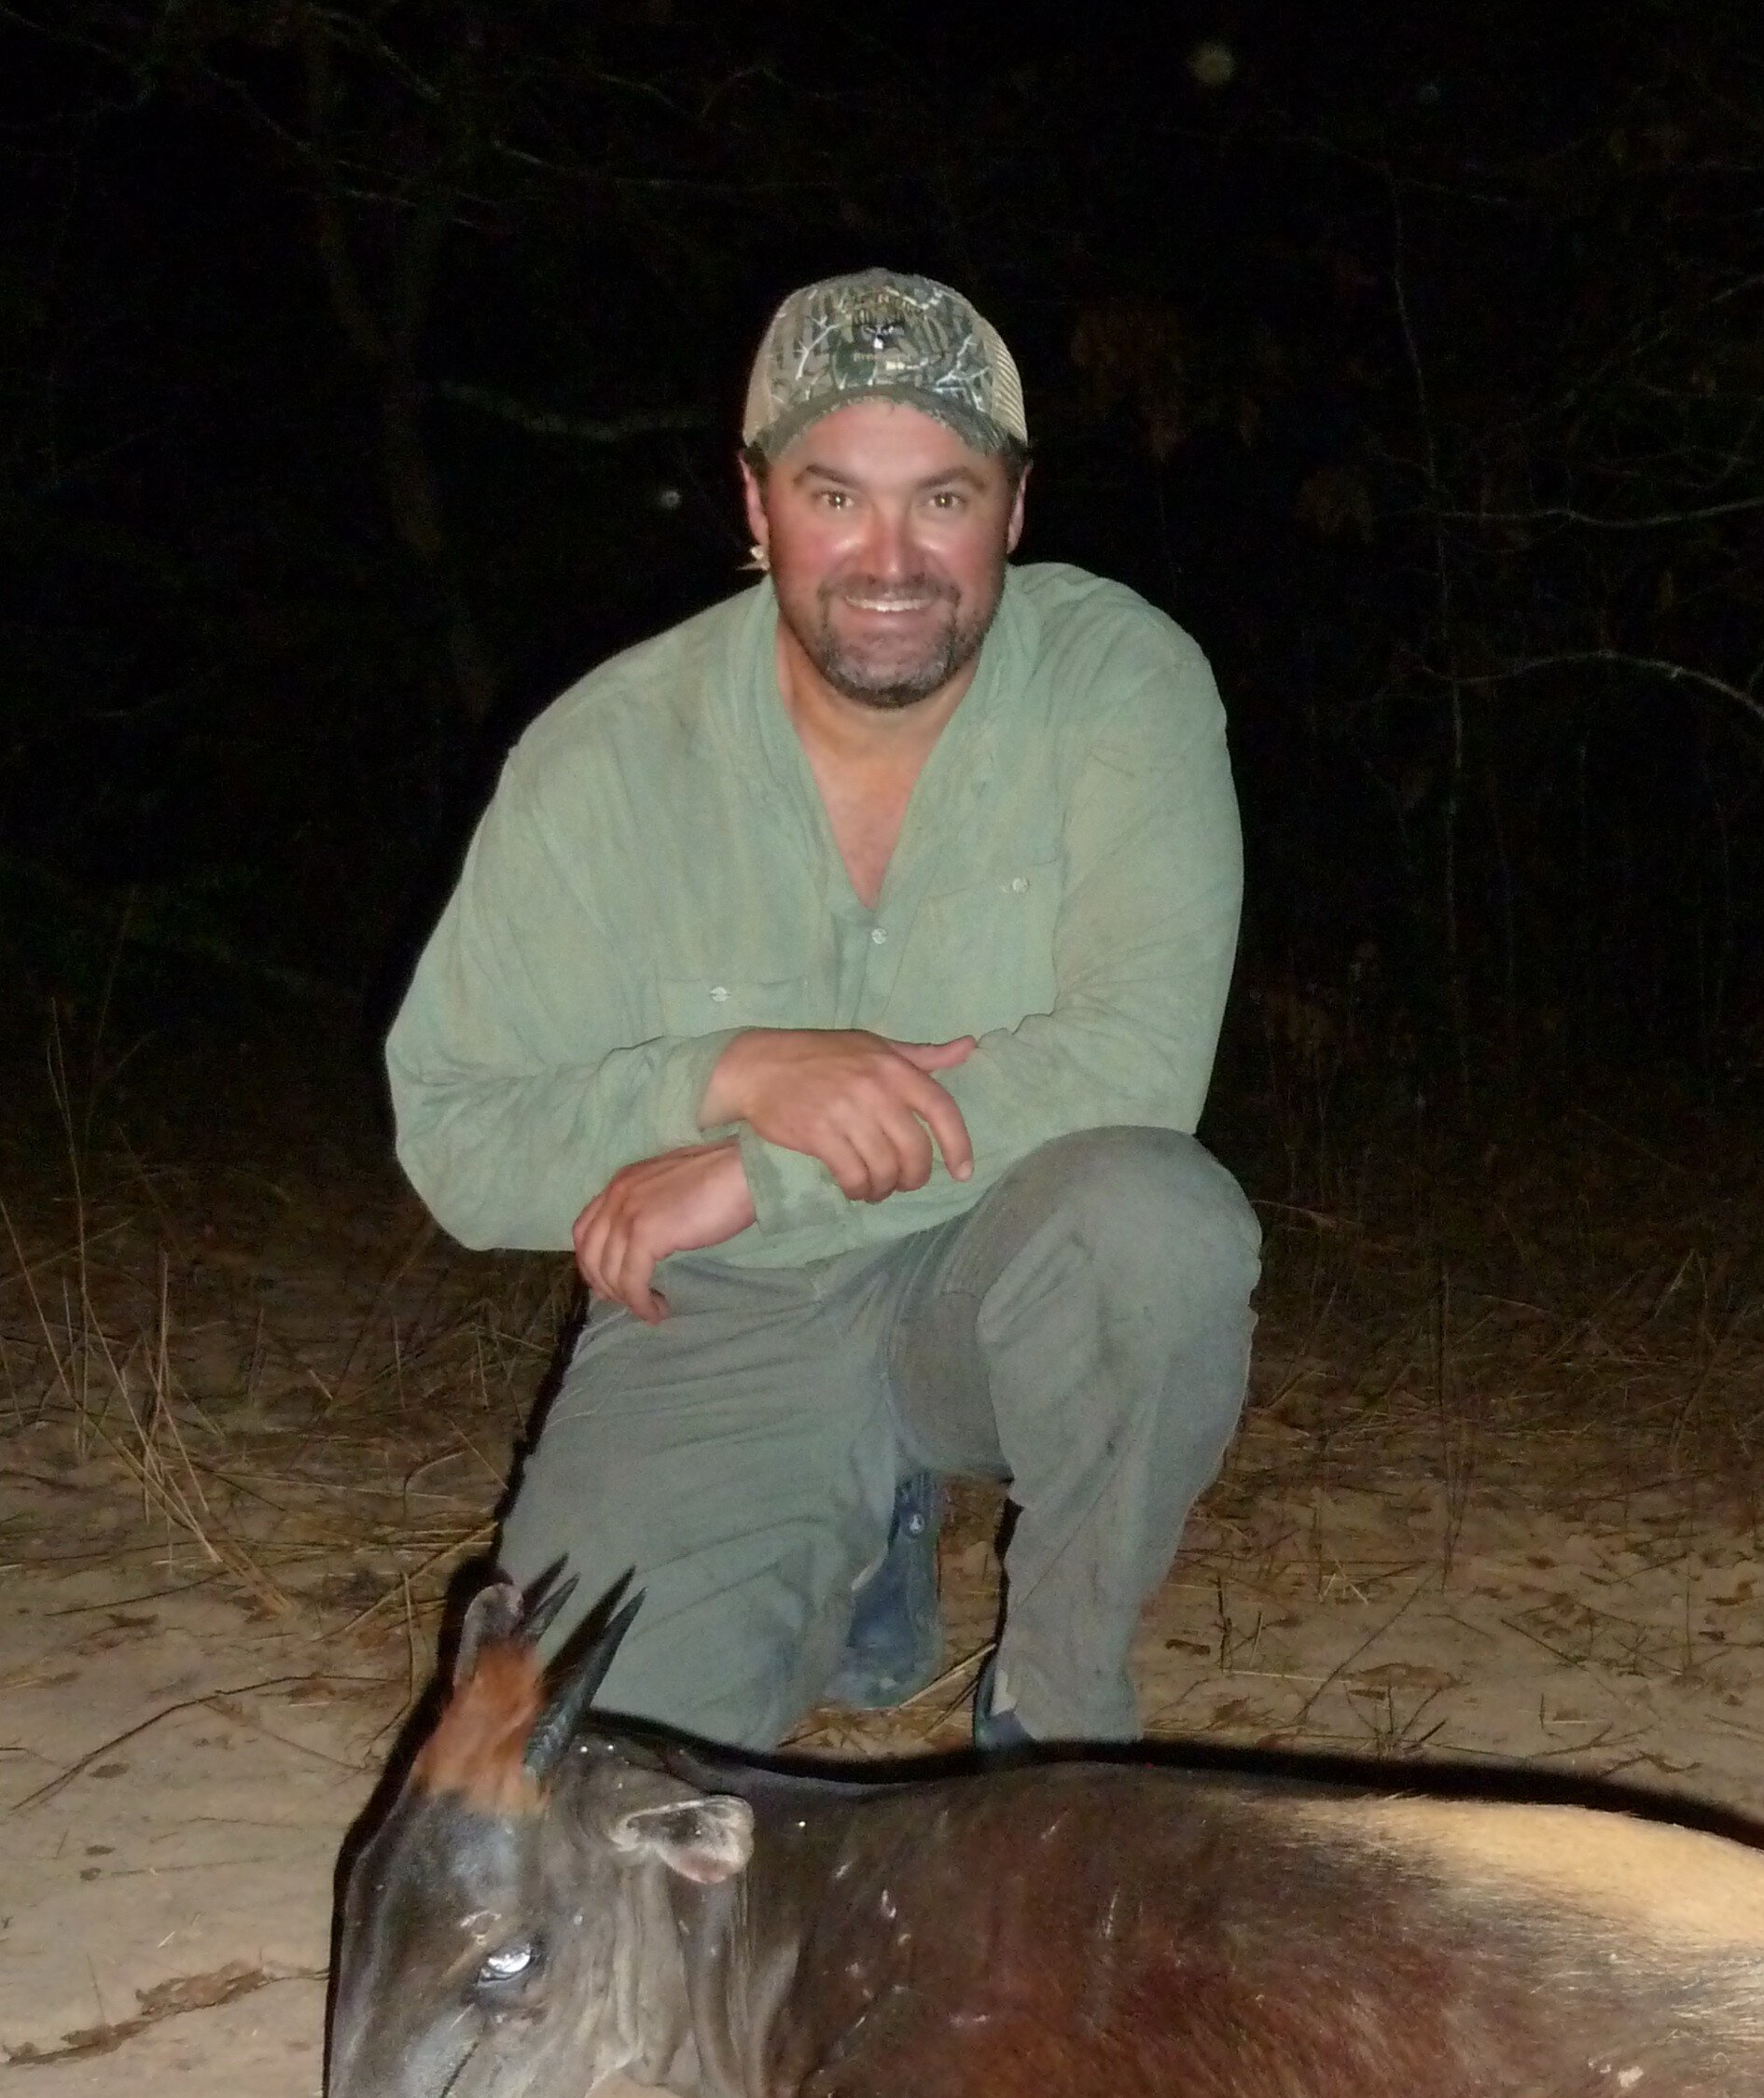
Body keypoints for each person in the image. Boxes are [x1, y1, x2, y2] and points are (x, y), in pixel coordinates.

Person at [386, 270, 1257, 1752]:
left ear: (1015, 512)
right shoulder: (605, 754)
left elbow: (1137, 1060)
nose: (893, 557)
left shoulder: (1124, 681)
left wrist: (754, 1164)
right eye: (834, 495)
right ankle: (855, 1532)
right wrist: (731, 1070)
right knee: (570, 1771)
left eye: (945, 497)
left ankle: (1056, 1740)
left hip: (991, 1280)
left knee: (1155, 1223)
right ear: (754, 502)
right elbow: (455, 1135)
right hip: (730, 1312)